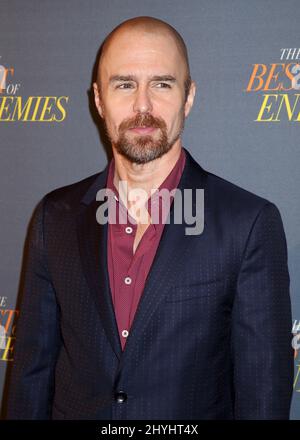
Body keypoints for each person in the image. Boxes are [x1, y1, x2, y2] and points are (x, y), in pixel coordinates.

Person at [5, 16, 294, 420]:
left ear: (188, 97)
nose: (143, 105)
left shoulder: (247, 224)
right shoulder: (54, 217)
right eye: (124, 84)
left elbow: (263, 395)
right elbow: (30, 379)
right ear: (99, 99)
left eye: (162, 83)